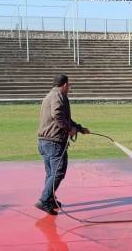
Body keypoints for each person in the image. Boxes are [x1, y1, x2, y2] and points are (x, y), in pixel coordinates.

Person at [36, 74, 90, 215]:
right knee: (58, 172)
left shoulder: (51, 95)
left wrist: (79, 128)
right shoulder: (57, 96)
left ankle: (50, 199)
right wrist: (70, 130)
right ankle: (44, 200)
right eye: (69, 85)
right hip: (54, 142)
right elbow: (58, 116)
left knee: (51, 173)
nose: (69, 88)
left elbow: (65, 118)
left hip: (44, 141)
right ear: (65, 85)